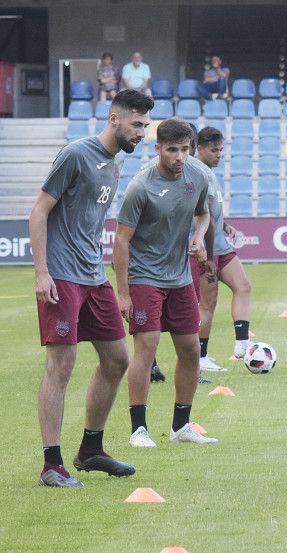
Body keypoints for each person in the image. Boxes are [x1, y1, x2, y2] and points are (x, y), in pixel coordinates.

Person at [29, 89, 152, 487]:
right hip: (62, 276)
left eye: (146, 126)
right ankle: (52, 464)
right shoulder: (76, 154)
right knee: (61, 366)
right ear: (114, 119)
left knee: (117, 360)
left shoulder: (114, 165)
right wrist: (41, 272)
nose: (142, 133)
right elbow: (40, 210)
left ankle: (91, 450)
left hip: (92, 276)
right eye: (137, 125)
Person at [115, 118, 218, 449]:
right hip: (145, 277)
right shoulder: (140, 187)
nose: (179, 157)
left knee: (190, 350)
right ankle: (138, 429)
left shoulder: (198, 176)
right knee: (147, 347)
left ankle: (181, 426)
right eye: (172, 149)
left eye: (184, 150)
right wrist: (123, 293)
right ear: (157, 148)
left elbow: (203, 214)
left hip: (180, 277)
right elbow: (121, 241)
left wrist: (199, 236)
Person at [189, 127, 254, 372]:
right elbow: (199, 217)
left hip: (220, 245)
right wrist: (209, 258)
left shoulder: (210, 174)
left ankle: (242, 343)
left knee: (243, 286)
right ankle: (200, 356)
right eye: (214, 150)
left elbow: (211, 212)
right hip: (206, 251)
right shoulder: (197, 174)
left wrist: (225, 226)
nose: (219, 155)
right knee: (207, 304)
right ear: (201, 149)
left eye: (221, 150)